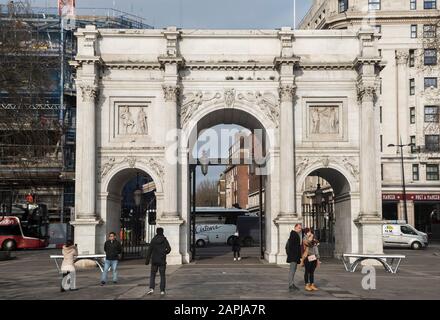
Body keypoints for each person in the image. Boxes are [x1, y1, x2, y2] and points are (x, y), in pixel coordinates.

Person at [146, 227, 171, 296]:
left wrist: (147, 260)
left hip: (154, 260)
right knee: (162, 276)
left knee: (153, 275)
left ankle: (151, 288)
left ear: (156, 232)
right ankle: (162, 290)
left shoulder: (153, 240)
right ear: (162, 232)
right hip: (162, 260)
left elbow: (149, 251)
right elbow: (169, 249)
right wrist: (164, 253)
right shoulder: (164, 239)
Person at [285, 223, 302, 292]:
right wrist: (296, 256)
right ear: (295, 227)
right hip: (293, 257)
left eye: (300, 228)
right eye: (299, 228)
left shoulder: (294, 234)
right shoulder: (294, 235)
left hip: (294, 256)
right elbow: (292, 247)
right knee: (292, 271)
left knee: (293, 271)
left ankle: (292, 284)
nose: (300, 229)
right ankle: (291, 285)